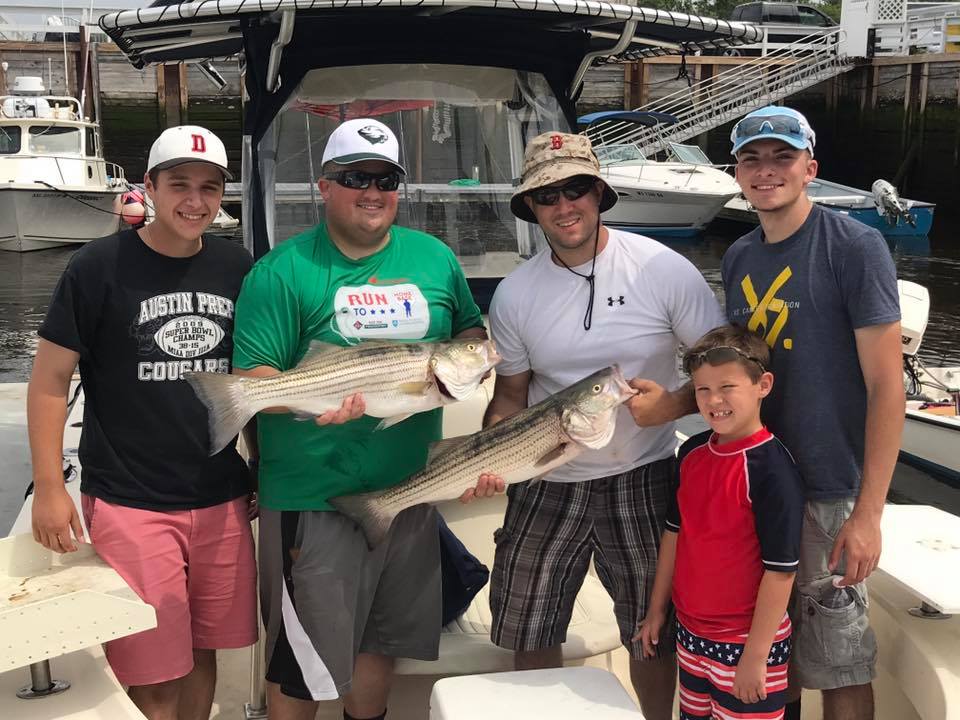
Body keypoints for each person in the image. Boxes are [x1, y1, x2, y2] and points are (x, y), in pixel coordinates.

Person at [463, 131, 726, 720]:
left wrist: (675, 405)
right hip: (545, 479)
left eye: (576, 188)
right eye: (547, 195)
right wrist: (488, 460)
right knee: (528, 628)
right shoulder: (516, 293)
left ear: (600, 192)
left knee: (650, 628)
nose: (564, 205)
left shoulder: (663, 269)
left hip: (643, 474)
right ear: (531, 208)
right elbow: (510, 397)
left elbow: (722, 369)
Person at [231, 117, 486, 720]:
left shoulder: (435, 258)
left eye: (386, 179)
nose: (372, 192)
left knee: (382, 641)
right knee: (301, 667)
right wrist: (315, 398)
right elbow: (254, 377)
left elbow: (471, 330)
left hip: (408, 492)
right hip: (314, 499)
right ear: (323, 186)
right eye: (354, 178)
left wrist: (471, 359)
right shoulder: (282, 272)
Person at [28, 125, 257, 720]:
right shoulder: (97, 266)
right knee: (154, 675)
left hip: (222, 496)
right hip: (132, 501)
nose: (194, 201)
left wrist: (260, 468)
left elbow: (252, 380)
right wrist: (51, 488)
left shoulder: (239, 267)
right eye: (179, 184)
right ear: (148, 187)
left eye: (210, 187)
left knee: (204, 650)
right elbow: (51, 381)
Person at [722, 105, 905, 720]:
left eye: (781, 157)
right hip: (759, 483)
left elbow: (887, 387)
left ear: (810, 168)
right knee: (776, 653)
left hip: (830, 490)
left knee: (839, 661)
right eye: (752, 158)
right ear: (737, 172)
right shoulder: (739, 257)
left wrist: (868, 514)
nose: (765, 170)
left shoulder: (856, 247)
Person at [636, 324, 805, 720]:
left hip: (747, 643)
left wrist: (755, 658)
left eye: (727, 387)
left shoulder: (773, 470)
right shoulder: (692, 453)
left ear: (763, 384)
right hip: (690, 636)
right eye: (702, 390)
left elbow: (781, 573)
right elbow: (674, 536)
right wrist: (657, 611)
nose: (714, 401)